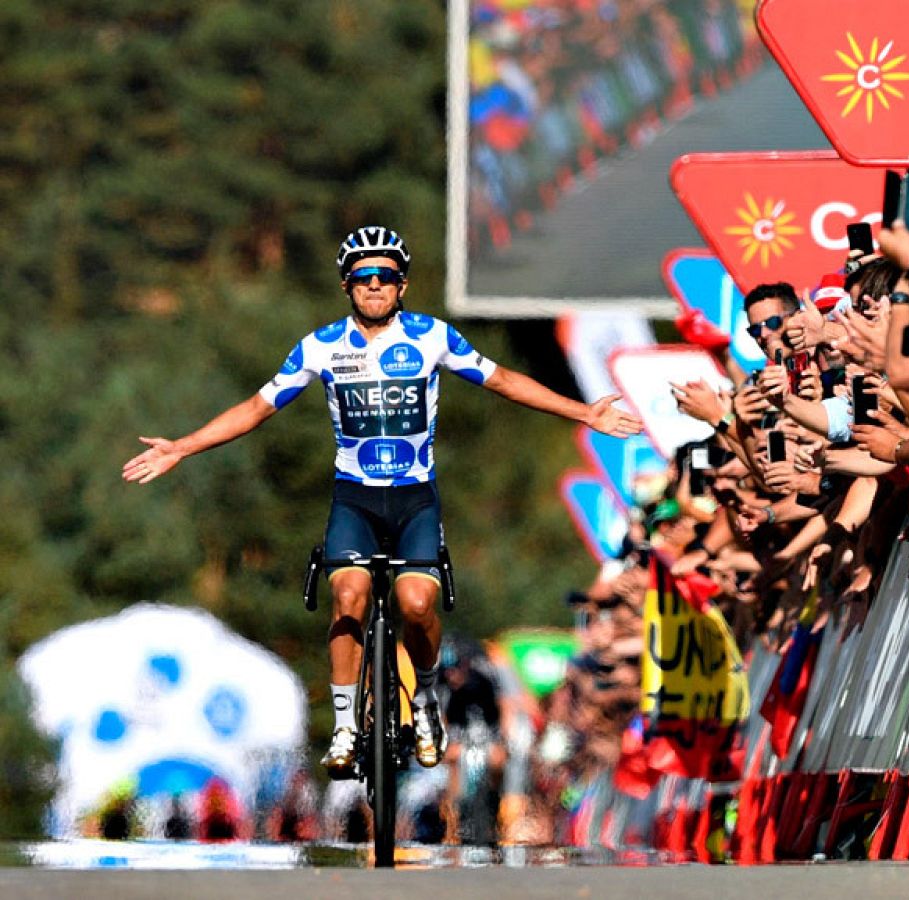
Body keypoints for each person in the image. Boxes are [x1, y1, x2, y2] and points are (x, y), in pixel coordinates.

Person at [121, 225, 642, 776]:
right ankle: (346, 724)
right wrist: (183, 446)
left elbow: (505, 380)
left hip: (415, 499)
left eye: (386, 277)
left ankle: (422, 703)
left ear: (402, 285)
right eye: (364, 278)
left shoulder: (430, 336)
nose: (375, 286)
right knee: (350, 595)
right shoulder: (322, 346)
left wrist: (585, 413)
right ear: (348, 285)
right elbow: (256, 408)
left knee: (417, 605)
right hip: (355, 501)